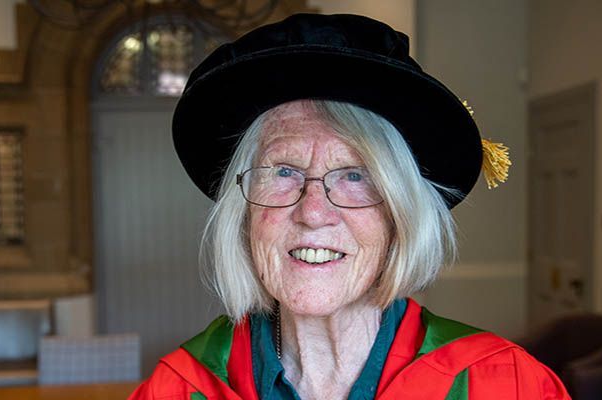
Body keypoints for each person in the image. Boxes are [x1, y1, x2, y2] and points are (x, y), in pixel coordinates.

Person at [129, 13, 570, 400]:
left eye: (355, 175)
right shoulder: (179, 389)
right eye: (283, 171)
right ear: (242, 216)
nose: (314, 212)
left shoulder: (503, 385)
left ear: (400, 217)